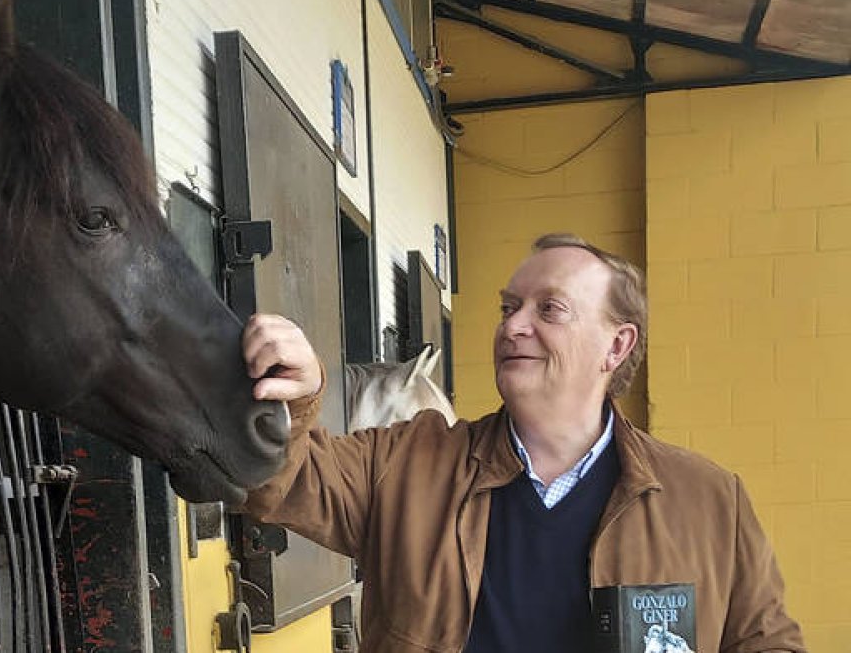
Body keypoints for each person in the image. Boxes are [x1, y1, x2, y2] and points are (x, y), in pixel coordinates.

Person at [240, 233, 804, 653]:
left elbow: (767, 643)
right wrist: (296, 397)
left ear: (616, 346)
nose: (513, 326)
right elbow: (279, 479)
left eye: (549, 309)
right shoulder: (406, 464)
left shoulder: (709, 501)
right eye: (509, 307)